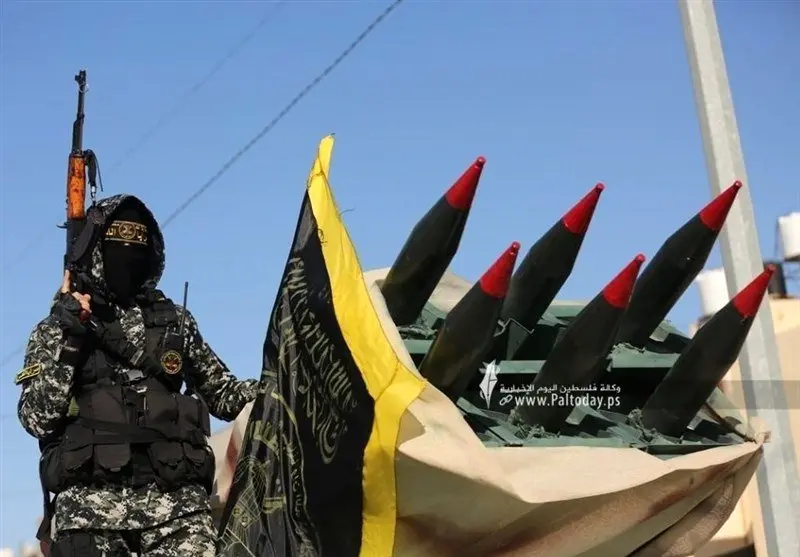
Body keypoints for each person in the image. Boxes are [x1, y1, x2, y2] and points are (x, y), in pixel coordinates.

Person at [15, 194, 259, 557]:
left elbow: (224, 396)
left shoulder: (174, 322)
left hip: (177, 512)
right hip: (89, 514)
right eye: (116, 245)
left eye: (137, 246)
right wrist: (71, 340)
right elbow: (37, 418)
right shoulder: (56, 328)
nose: (127, 257)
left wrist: (280, 382)